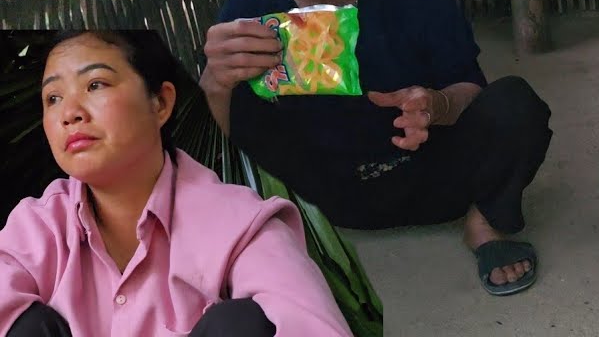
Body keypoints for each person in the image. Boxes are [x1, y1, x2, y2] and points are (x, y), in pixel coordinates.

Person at [199, 0, 551, 296]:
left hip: (432, 175)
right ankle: (273, 246)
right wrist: (213, 82)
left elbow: (468, 88)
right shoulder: (248, 9)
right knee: (236, 101)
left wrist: (435, 106)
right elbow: (208, 152)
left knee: (515, 104)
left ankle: (486, 224)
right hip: (314, 198)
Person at [0, 30, 351, 337]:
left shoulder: (240, 224)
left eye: (95, 84)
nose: (69, 113)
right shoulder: (38, 226)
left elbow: (312, 325)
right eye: (53, 98)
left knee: (242, 323)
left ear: (161, 103)